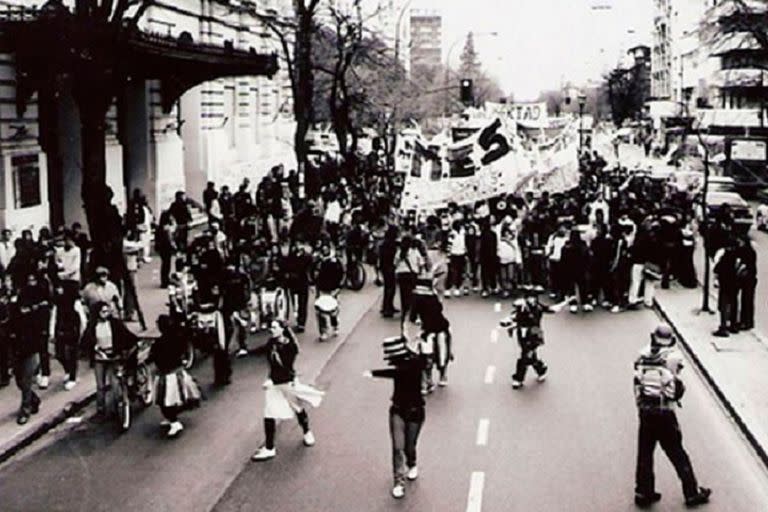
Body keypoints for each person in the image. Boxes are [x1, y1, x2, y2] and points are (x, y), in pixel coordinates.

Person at [633, 324, 711, 508]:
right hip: (665, 412)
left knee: (645, 453)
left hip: (645, 411)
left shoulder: (642, 354)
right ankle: (691, 492)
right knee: (677, 452)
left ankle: (643, 492)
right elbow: (677, 381)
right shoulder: (673, 357)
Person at [364, 336, 427, 499]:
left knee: (409, 446)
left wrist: (373, 373)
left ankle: (412, 463)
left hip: (415, 412)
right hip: (397, 411)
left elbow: (396, 373)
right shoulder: (409, 363)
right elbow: (394, 372)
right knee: (398, 447)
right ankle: (399, 481)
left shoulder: (414, 364)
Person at [252, 320, 324, 461]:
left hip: (286, 383)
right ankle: (269, 447)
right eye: (270, 327)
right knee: (269, 413)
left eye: (274, 327)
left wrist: (272, 380)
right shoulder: (271, 343)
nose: (270, 330)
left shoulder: (290, 347)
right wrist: (246, 352)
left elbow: (286, 369)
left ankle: (307, 432)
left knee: (297, 408)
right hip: (275, 384)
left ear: (282, 330)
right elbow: (262, 351)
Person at [80, 301, 138, 422]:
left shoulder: (115, 324)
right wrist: (93, 347)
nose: (106, 314)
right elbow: (85, 342)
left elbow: (126, 336)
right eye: (103, 311)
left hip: (114, 357)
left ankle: (118, 406)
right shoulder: (92, 326)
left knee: (114, 382)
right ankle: (101, 410)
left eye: (107, 311)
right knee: (100, 386)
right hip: (99, 358)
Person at [500, 286, 565, 389]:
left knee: (525, 356)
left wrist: (561, 305)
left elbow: (550, 309)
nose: (532, 300)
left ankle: (518, 378)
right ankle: (541, 369)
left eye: (534, 297)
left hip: (535, 333)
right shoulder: (522, 307)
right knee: (530, 356)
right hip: (523, 333)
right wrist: (507, 321)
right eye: (530, 297)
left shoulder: (538, 307)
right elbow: (514, 316)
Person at [151, 315, 202, 438]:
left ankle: (174, 421)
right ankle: (171, 418)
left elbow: (155, 357)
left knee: (166, 400)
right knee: (174, 398)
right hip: (176, 372)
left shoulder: (159, 343)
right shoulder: (178, 338)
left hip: (167, 374)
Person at [13, 273, 51, 423]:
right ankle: (34, 399)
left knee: (27, 379)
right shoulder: (15, 314)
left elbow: (41, 330)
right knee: (19, 381)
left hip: (31, 349)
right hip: (18, 350)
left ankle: (25, 409)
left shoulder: (35, 314)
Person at [314, 242, 344, 341]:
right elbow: (313, 273)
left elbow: (341, 274)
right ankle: (323, 331)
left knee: (332, 310)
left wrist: (338, 287)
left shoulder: (335, 261)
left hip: (332, 289)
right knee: (320, 311)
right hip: (321, 289)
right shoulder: (318, 261)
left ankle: (335, 325)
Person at [712, 239, 739, 337]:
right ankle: (733, 324)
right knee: (733, 303)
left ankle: (723, 327)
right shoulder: (737, 255)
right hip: (734, 284)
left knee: (723, 305)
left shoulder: (726, 256)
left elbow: (717, 268)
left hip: (725, 284)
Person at [379, 225, 399, 318]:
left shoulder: (385, 243)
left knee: (389, 288)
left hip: (385, 267)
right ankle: (387, 308)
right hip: (389, 267)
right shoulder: (390, 244)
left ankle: (388, 306)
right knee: (390, 288)